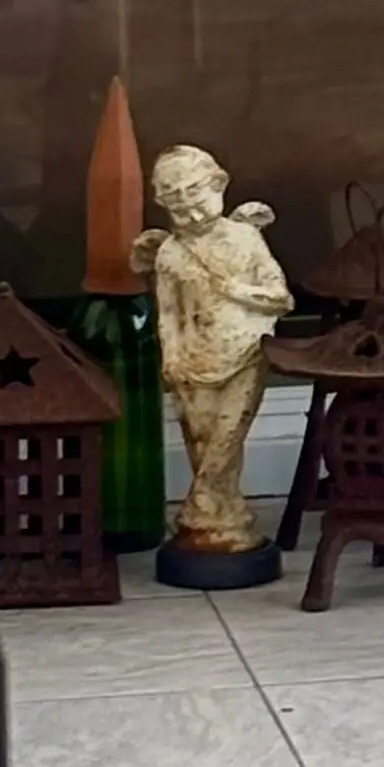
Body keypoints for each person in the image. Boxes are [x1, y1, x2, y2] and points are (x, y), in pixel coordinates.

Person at [131, 145, 293, 554]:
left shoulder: (245, 238)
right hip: (193, 360)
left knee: (228, 433)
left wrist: (241, 291)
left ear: (219, 186)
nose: (195, 217)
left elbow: (281, 297)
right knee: (202, 439)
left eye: (199, 202)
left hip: (245, 352)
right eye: (180, 211)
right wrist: (171, 356)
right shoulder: (169, 253)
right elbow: (167, 313)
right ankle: (226, 515)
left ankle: (197, 509)